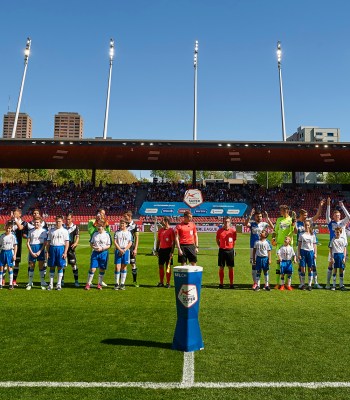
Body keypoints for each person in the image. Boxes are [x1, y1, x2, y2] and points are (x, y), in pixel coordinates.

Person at [294, 200, 325, 289]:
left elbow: (318, 215)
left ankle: (315, 283)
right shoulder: (297, 222)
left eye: (307, 215)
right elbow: (295, 232)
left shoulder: (309, 221)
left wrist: (320, 205)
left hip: (311, 247)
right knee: (301, 266)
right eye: (305, 215)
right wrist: (293, 223)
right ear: (300, 214)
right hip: (300, 246)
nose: (306, 217)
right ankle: (302, 283)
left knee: (313, 266)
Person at [245, 209, 274, 289]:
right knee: (254, 265)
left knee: (265, 265)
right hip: (253, 247)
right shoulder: (252, 224)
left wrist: (268, 218)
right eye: (258, 216)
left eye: (261, 216)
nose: (259, 217)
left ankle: (265, 284)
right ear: (255, 217)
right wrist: (250, 215)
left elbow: (273, 227)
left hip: (263, 247)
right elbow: (245, 224)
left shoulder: (264, 224)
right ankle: (255, 283)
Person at [325, 198, 350, 289]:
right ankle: (328, 283)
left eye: (339, 215)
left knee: (342, 265)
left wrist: (342, 206)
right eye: (336, 215)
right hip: (333, 247)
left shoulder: (343, 223)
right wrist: (328, 205)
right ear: (333, 216)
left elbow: (349, 217)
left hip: (343, 247)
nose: (338, 216)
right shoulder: (331, 223)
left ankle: (341, 284)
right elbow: (327, 215)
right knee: (331, 265)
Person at [271, 205, 296, 289]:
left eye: (282, 210)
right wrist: (273, 239)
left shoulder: (291, 219)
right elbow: (275, 231)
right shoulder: (279, 219)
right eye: (280, 210)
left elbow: (295, 231)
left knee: (289, 264)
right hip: (279, 244)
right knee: (278, 263)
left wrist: (293, 223)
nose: (280, 212)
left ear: (287, 211)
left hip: (289, 245)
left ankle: (287, 284)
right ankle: (278, 283)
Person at [85, 220, 111, 290]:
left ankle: (99, 284)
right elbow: (91, 243)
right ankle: (88, 284)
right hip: (95, 253)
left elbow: (109, 245)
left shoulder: (107, 234)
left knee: (102, 269)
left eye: (100, 226)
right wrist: (94, 247)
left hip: (104, 253)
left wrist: (102, 248)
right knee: (92, 269)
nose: (98, 227)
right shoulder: (94, 234)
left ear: (103, 227)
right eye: (98, 226)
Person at [46, 215, 69, 291]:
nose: (58, 223)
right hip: (52, 248)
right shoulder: (51, 230)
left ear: (62, 222)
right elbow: (48, 242)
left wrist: (65, 252)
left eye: (59, 221)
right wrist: (47, 251)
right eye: (56, 221)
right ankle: (51, 284)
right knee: (52, 266)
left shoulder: (65, 231)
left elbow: (67, 243)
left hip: (60, 248)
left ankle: (58, 284)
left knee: (60, 266)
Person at [26, 217, 48, 290]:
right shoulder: (31, 231)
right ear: (33, 223)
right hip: (32, 248)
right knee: (32, 266)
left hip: (40, 249)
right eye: (35, 222)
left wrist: (40, 251)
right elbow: (28, 243)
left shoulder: (44, 231)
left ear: (40, 223)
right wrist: (31, 252)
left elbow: (45, 243)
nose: (36, 224)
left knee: (41, 266)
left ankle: (42, 282)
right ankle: (30, 283)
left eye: (38, 222)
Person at [216, 216, 237, 289]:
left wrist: (232, 248)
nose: (226, 223)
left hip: (230, 250)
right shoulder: (219, 231)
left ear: (230, 222)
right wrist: (220, 246)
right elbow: (217, 240)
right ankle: (221, 283)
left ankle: (231, 284)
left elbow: (234, 241)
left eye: (228, 221)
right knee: (221, 267)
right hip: (222, 250)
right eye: (225, 221)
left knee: (230, 267)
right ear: (223, 222)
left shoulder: (233, 231)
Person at [9, 208, 27, 286]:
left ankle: (14, 280)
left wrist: (15, 220)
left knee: (16, 263)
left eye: (16, 214)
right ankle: (2, 280)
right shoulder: (10, 222)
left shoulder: (24, 222)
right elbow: (5, 228)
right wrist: (10, 221)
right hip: (9, 246)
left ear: (20, 214)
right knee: (6, 263)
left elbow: (20, 228)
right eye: (14, 214)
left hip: (18, 246)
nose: (14, 215)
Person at [155, 216, 175, 288]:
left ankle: (168, 283)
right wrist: (157, 250)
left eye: (162, 220)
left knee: (168, 267)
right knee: (160, 266)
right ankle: (161, 282)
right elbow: (158, 241)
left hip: (168, 250)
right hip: (162, 250)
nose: (161, 222)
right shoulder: (160, 230)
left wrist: (172, 252)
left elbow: (173, 242)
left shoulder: (171, 230)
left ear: (166, 221)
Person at [298, 220, 317, 291]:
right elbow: (299, 245)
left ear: (310, 226)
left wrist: (315, 253)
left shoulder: (313, 234)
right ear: (304, 225)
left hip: (310, 252)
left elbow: (315, 245)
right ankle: (303, 284)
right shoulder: (301, 234)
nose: (307, 226)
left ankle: (309, 285)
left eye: (308, 225)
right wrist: (299, 254)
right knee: (303, 269)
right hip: (303, 252)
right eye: (305, 225)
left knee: (310, 268)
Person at [113, 219, 132, 290]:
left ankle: (122, 283)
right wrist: (120, 249)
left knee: (124, 267)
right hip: (118, 250)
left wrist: (124, 249)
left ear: (126, 224)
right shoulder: (117, 232)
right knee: (117, 267)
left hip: (126, 251)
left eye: (123, 224)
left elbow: (130, 242)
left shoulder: (129, 233)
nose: (121, 225)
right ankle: (116, 283)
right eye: (121, 223)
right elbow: (115, 242)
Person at [124, 211, 140, 287]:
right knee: (123, 264)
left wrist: (135, 249)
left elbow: (137, 238)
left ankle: (134, 281)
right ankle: (122, 281)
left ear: (129, 216)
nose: (124, 218)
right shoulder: (124, 225)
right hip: (123, 247)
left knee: (133, 264)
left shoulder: (134, 226)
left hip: (131, 248)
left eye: (125, 216)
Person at [0, 222, 18, 290]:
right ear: (5, 228)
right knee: (1, 268)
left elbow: (15, 245)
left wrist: (15, 254)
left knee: (9, 268)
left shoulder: (13, 236)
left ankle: (10, 284)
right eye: (7, 228)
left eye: (9, 228)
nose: (8, 229)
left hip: (10, 252)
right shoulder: (2, 236)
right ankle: (0, 284)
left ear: (11, 229)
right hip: (3, 252)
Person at [64, 213, 80, 287]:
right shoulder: (63, 227)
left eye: (69, 219)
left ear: (72, 219)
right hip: (63, 248)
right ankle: (62, 281)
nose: (67, 220)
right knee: (62, 265)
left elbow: (77, 236)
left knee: (73, 264)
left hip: (71, 249)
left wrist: (76, 243)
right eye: (66, 219)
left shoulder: (75, 227)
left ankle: (76, 281)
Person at [329, 226, 347, 291]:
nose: (337, 233)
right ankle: (334, 285)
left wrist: (344, 257)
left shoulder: (343, 240)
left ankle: (341, 285)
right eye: (336, 232)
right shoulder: (333, 239)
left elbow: (345, 248)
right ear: (334, 232)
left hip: (341, 255)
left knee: (341, 270)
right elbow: (330, 249)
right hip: (335, 255)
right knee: (335, 270)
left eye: (338, 232)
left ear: (340, 232)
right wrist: (332, 257)